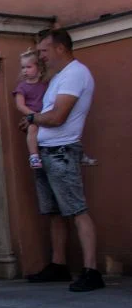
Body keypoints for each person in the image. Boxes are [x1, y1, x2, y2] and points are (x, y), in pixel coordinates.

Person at [22, 29, 103, 292]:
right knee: (55, 212)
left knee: (77, 209)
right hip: (46, 150)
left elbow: (58, 117)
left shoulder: (75, 73)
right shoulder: (58, 77)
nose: (41, 56)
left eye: (44, 51)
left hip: (61, 150)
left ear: (60, 48)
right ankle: (59, 264)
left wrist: (33, 119)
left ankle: (92, 270)